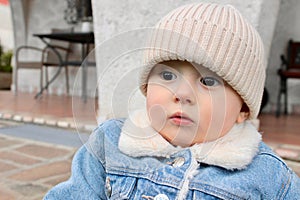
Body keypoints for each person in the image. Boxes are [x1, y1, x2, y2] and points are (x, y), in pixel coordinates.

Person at [44, 3, 300, 199]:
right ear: (146, 87)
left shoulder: (268, 175)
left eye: (208, 82)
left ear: (242, 109)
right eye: (167, 75)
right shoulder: (110, 144)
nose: (182, 94)